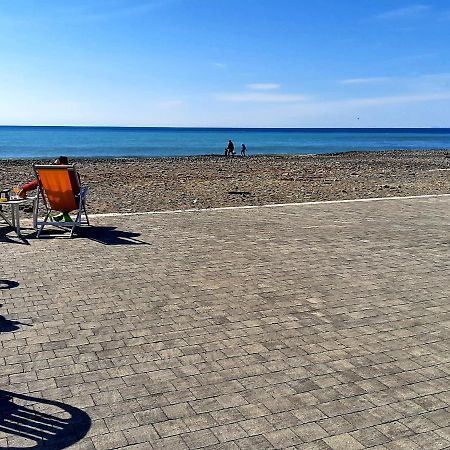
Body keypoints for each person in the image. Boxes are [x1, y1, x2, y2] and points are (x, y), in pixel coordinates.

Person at [19, 156, 78, 222]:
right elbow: (76, 190)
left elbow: (38, 183)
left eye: (54, 164)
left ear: (58, 162)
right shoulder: (72, 172)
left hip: (55, 202)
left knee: (61, 196)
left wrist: (24, 189)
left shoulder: (50, 174)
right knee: (74, 195)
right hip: (73, 202)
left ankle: (64, 214)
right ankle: (65, 214)